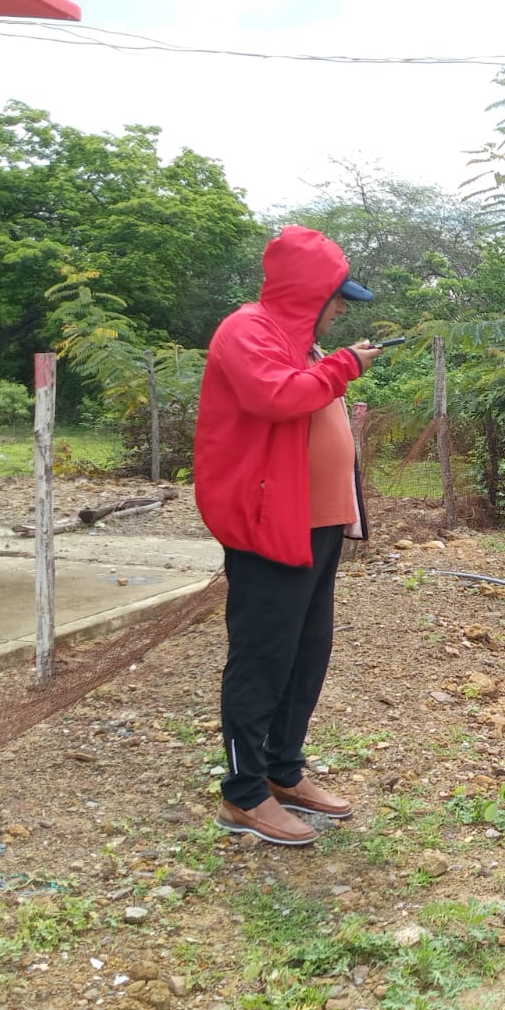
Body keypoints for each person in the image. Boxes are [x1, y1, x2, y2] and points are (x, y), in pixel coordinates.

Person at [194, 225, 383, 847]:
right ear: (310, 294)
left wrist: (332, 362)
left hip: (317, 524)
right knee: (262, 655)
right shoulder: (246, 330)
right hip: (268, 525)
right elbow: (275, 397)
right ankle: (244, 793)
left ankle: (283, 770)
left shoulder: (300, 344)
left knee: (307, 650)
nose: (340, 312)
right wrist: (345, 366)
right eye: (337, 300)